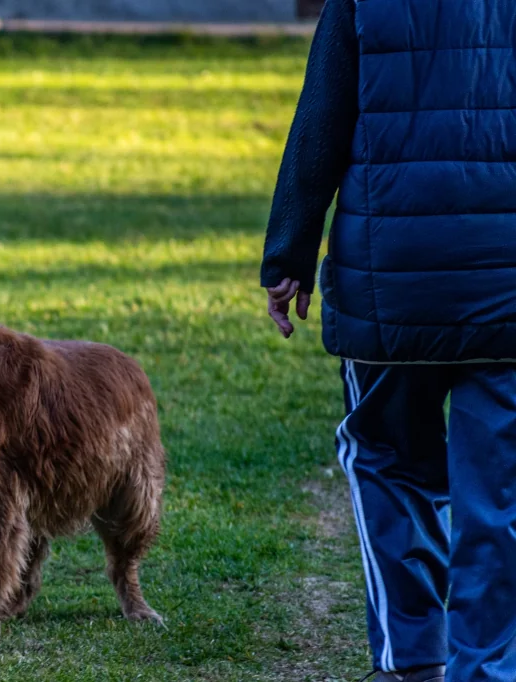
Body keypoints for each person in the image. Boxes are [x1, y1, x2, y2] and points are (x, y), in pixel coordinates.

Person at [261, 1, 516, 681]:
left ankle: (410, 661)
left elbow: (320, 121)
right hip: (505, 280)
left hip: (389, 278)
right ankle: (486, 668)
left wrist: (288, 253)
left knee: (388, 464)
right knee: (499, 497)